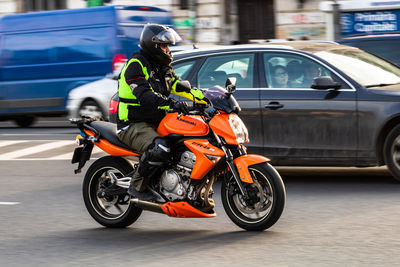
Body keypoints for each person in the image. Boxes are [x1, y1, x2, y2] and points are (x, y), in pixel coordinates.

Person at [117, 24, 205, 201]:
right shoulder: (136, 65)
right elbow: (144, 95)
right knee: (161, 148)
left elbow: (180, 86)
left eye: (168, 46)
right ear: (154, 45)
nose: (168, 50)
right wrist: (171, 103)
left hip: (157, 122)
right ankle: (137, 187)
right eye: (164, 46)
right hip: (133, 124)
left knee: (182, 143)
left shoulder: (162, 68)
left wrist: (207, 98)